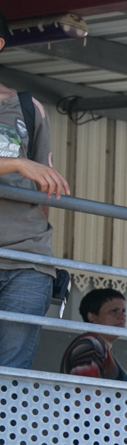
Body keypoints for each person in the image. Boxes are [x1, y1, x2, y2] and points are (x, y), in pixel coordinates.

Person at [0, 50, 69, 371]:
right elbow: (28, 166)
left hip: (29, 259)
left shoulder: (30, 108)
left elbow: (47, 187)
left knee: (13, 369)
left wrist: (41, 254)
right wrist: (17, 163)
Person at [60, 288, 127, 381]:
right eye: (114, 311)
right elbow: (87, 391)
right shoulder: (91, 343)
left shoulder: (98, 345)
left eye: (123, 311)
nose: (122, 316)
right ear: (92, 317)